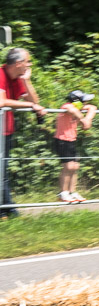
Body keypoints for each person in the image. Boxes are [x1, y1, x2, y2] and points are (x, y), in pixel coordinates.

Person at [0, 48, 47, 218]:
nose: (30, 64)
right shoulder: (0, 74)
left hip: (6, 131)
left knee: (3, 171)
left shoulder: (18, 78)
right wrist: (30, 106)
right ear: (19, 63)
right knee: (1, 172)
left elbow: (35, 102)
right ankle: (9, 210)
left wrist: (27, 80)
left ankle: (5, 210)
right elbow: (1, 101)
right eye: (28, 61)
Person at [53, 90, 97, 203]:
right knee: (68, 167)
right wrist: (82, 120)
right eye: (83, 101)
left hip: (71, 140)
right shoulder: (67, 106)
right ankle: (63, 192)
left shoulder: (78, 108)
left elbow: (93, 108)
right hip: (62, 140)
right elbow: (71, 109)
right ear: (76, 102)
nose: (85, 104)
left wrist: (88, 120)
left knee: (75, 166)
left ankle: (72, 192)